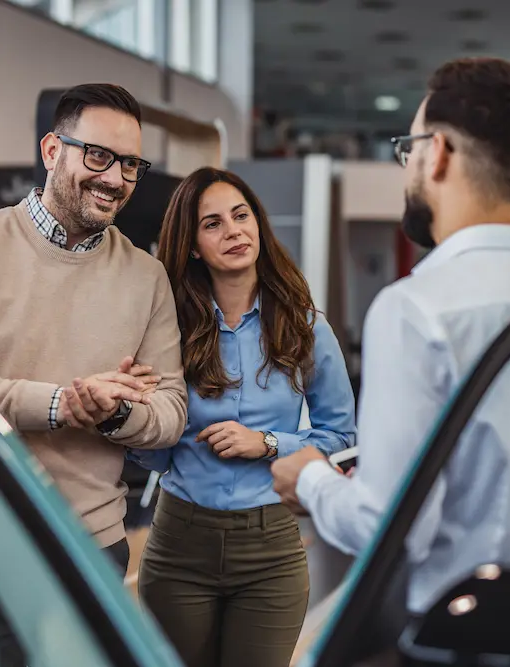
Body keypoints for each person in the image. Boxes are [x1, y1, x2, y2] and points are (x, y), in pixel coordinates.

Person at [271, 57, 510, 615]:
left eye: (409, 148)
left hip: (452, 632)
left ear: (437, 152)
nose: (408, 166)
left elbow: (386, 528)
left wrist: (311, 480)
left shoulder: (414, 310)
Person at [0, 83, 188, 573]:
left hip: (93, 546)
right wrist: (58, 405)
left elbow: (170, 412)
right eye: (98, 155)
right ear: (52, 151)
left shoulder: (147, 276)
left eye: (129, 164)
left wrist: (114, 412)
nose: (115, 178)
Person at [127, 167, 355, 667]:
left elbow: (341, 436)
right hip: (180, 542)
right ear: (191, 246)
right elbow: (159, 456)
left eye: (241, 215)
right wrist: (133, 419)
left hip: (271, 549)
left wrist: (269, 443)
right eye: (212, 224)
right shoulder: (167, 329)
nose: (233, 231)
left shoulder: (306, 328)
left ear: (258, 224)